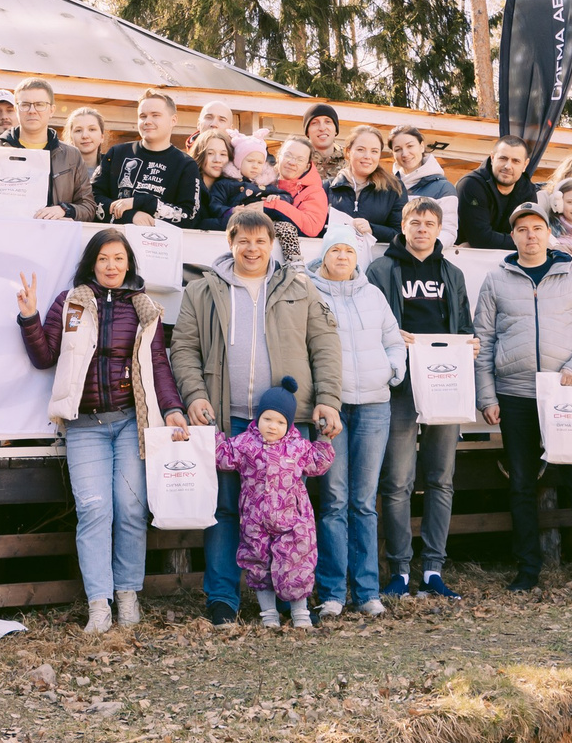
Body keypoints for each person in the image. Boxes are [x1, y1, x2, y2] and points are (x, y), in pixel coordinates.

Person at [169, 205, 343, 627]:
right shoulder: (202, 290)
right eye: (243, 240)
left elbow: (324, 344)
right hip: (226, 420)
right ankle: (222, 598)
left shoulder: (298, 287)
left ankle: (288, 597)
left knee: (289, 517)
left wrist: (328, 398)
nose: (252, 248)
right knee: (225, 510)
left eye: (260, 241)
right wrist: (194, 395)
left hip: (286, 424)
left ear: (272, 245)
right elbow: (184, 348)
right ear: (230, 243)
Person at [17, 229, 188, 633]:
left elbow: (158, 365)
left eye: (118, 258)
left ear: (129, 263)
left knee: (130, 509)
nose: (111, 266)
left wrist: (173, 409)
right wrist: (29, 317)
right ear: (91, 264)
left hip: (130, 422)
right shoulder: (71, 303)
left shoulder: (145, 308)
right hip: (84, 426)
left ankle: (127, 595)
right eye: (103, 259)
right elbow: (44, 357)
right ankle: (99, 604)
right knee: (94, 511)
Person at [473, 202, 572, 599]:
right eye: (522, 229)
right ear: (513, 236)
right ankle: (528, 569)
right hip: (515, 395)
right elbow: (483, 341)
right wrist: (487, 395)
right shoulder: (495, 279)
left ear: (548, 233)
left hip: (565, 393)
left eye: (537, 227)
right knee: (521, 484)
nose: (530, 234)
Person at [366, 197, 468, 604]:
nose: (422, 229)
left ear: (439, 229)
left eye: (429, 223)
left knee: (441, 478)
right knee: (397, 482)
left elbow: (464, 323)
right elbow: (367, 325)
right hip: (400, 386)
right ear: (403, 225)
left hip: (445, 382)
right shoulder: (381, 269)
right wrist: (391, 338)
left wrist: (470, 345)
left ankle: (433, 569)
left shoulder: (452, 273)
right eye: (415, 222)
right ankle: (400, 570)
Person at [308, 235, 406, 618]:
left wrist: (392, 371)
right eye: (335, 249)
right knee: (333, 500)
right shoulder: (310, 293)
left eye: (349, 251)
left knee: (364, 502)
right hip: (332, 407)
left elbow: (393, 340)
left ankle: (367, 592)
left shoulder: (373, 295)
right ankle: (333, 592)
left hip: (375, 406)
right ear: (323, 256)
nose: (343, 256)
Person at [216, 378, 337, 627]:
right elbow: (223, 457)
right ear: (258, 418)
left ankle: (300, 612)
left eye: (280, 422)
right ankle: (268, 613)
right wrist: (212, 432)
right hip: (255, 519)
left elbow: (318, 463)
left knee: (296, 563)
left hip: (293, 520)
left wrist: (324, 439)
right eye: (268, 419)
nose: (273, 426)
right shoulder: (245, 443)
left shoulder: (297, 446)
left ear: (289, 424)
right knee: (258, 563)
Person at [0, 78, 98, 220]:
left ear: (51, 110)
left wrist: (65, 209)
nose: (32, 111)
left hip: (52, 232)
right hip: (3, 231)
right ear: (16, 110)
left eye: (40, 105)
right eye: (25, 105)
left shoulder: (71, 155)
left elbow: (88, 207)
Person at [94, 90, 200, 225]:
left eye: (155, 115)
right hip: (115, 236)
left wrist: (142, 202)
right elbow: (92, 198)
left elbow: (190, 216)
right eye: (142, 116)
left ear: (173, 120)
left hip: (161, 238)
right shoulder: (117, 153)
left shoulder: (186, 165)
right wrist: (130, 216)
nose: (147, 121)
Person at [326, 125, 404, 247]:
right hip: (337, 256)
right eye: (361, 149)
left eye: (374, 151)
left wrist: (372, 229)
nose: (367, 156)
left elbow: (401, 234)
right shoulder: (328, 187)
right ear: (348, 152)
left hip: (376, 257)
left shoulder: (394, 188)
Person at [454, 137, 534, 251]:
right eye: (503, 158)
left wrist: (525, 240)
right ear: (492, 158)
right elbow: (481, 239)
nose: (508, 166)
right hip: (464, 258)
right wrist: (521, 241)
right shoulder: (471, 185)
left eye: (515, 161)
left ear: (525, 165)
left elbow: (531, 234)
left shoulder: (527, 190)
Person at [261, 137, 329, 240]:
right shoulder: (260, 182)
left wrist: (272, 205)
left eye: (300, 160)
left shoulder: (314, 192)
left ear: (307, 166)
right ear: (278, 157)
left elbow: (312, 227)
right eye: (288, 155)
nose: (292, 162)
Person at [207, 139, 274, 229]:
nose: (255, 166)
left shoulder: (265, 184)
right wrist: (231, 211)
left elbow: (286, 196)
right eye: (250, 161)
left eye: (260, 162)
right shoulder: (225, 183)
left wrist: (275, 198)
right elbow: (214, 205)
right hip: (234, 226)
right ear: (239, 162)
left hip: (259, 227)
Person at [188, 130, 241, 230]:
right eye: (210, 153)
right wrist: (235, 220)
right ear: (199, 154)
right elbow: (193, 224)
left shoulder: (237, 187)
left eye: (223, 154)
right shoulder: (188, 184)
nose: (217, 160)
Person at [389, 126, 453, 202]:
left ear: (422, 146)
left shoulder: (443, 188)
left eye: (410, 146)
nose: (405, 154)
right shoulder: (386, 188)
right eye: (397, 149)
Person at [302, 102, 345, 181]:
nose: (322, 128)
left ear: (336, 129)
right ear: (307, 132)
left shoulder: (350, 161)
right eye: (314, 123)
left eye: (328, 122)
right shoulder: (297, 159)